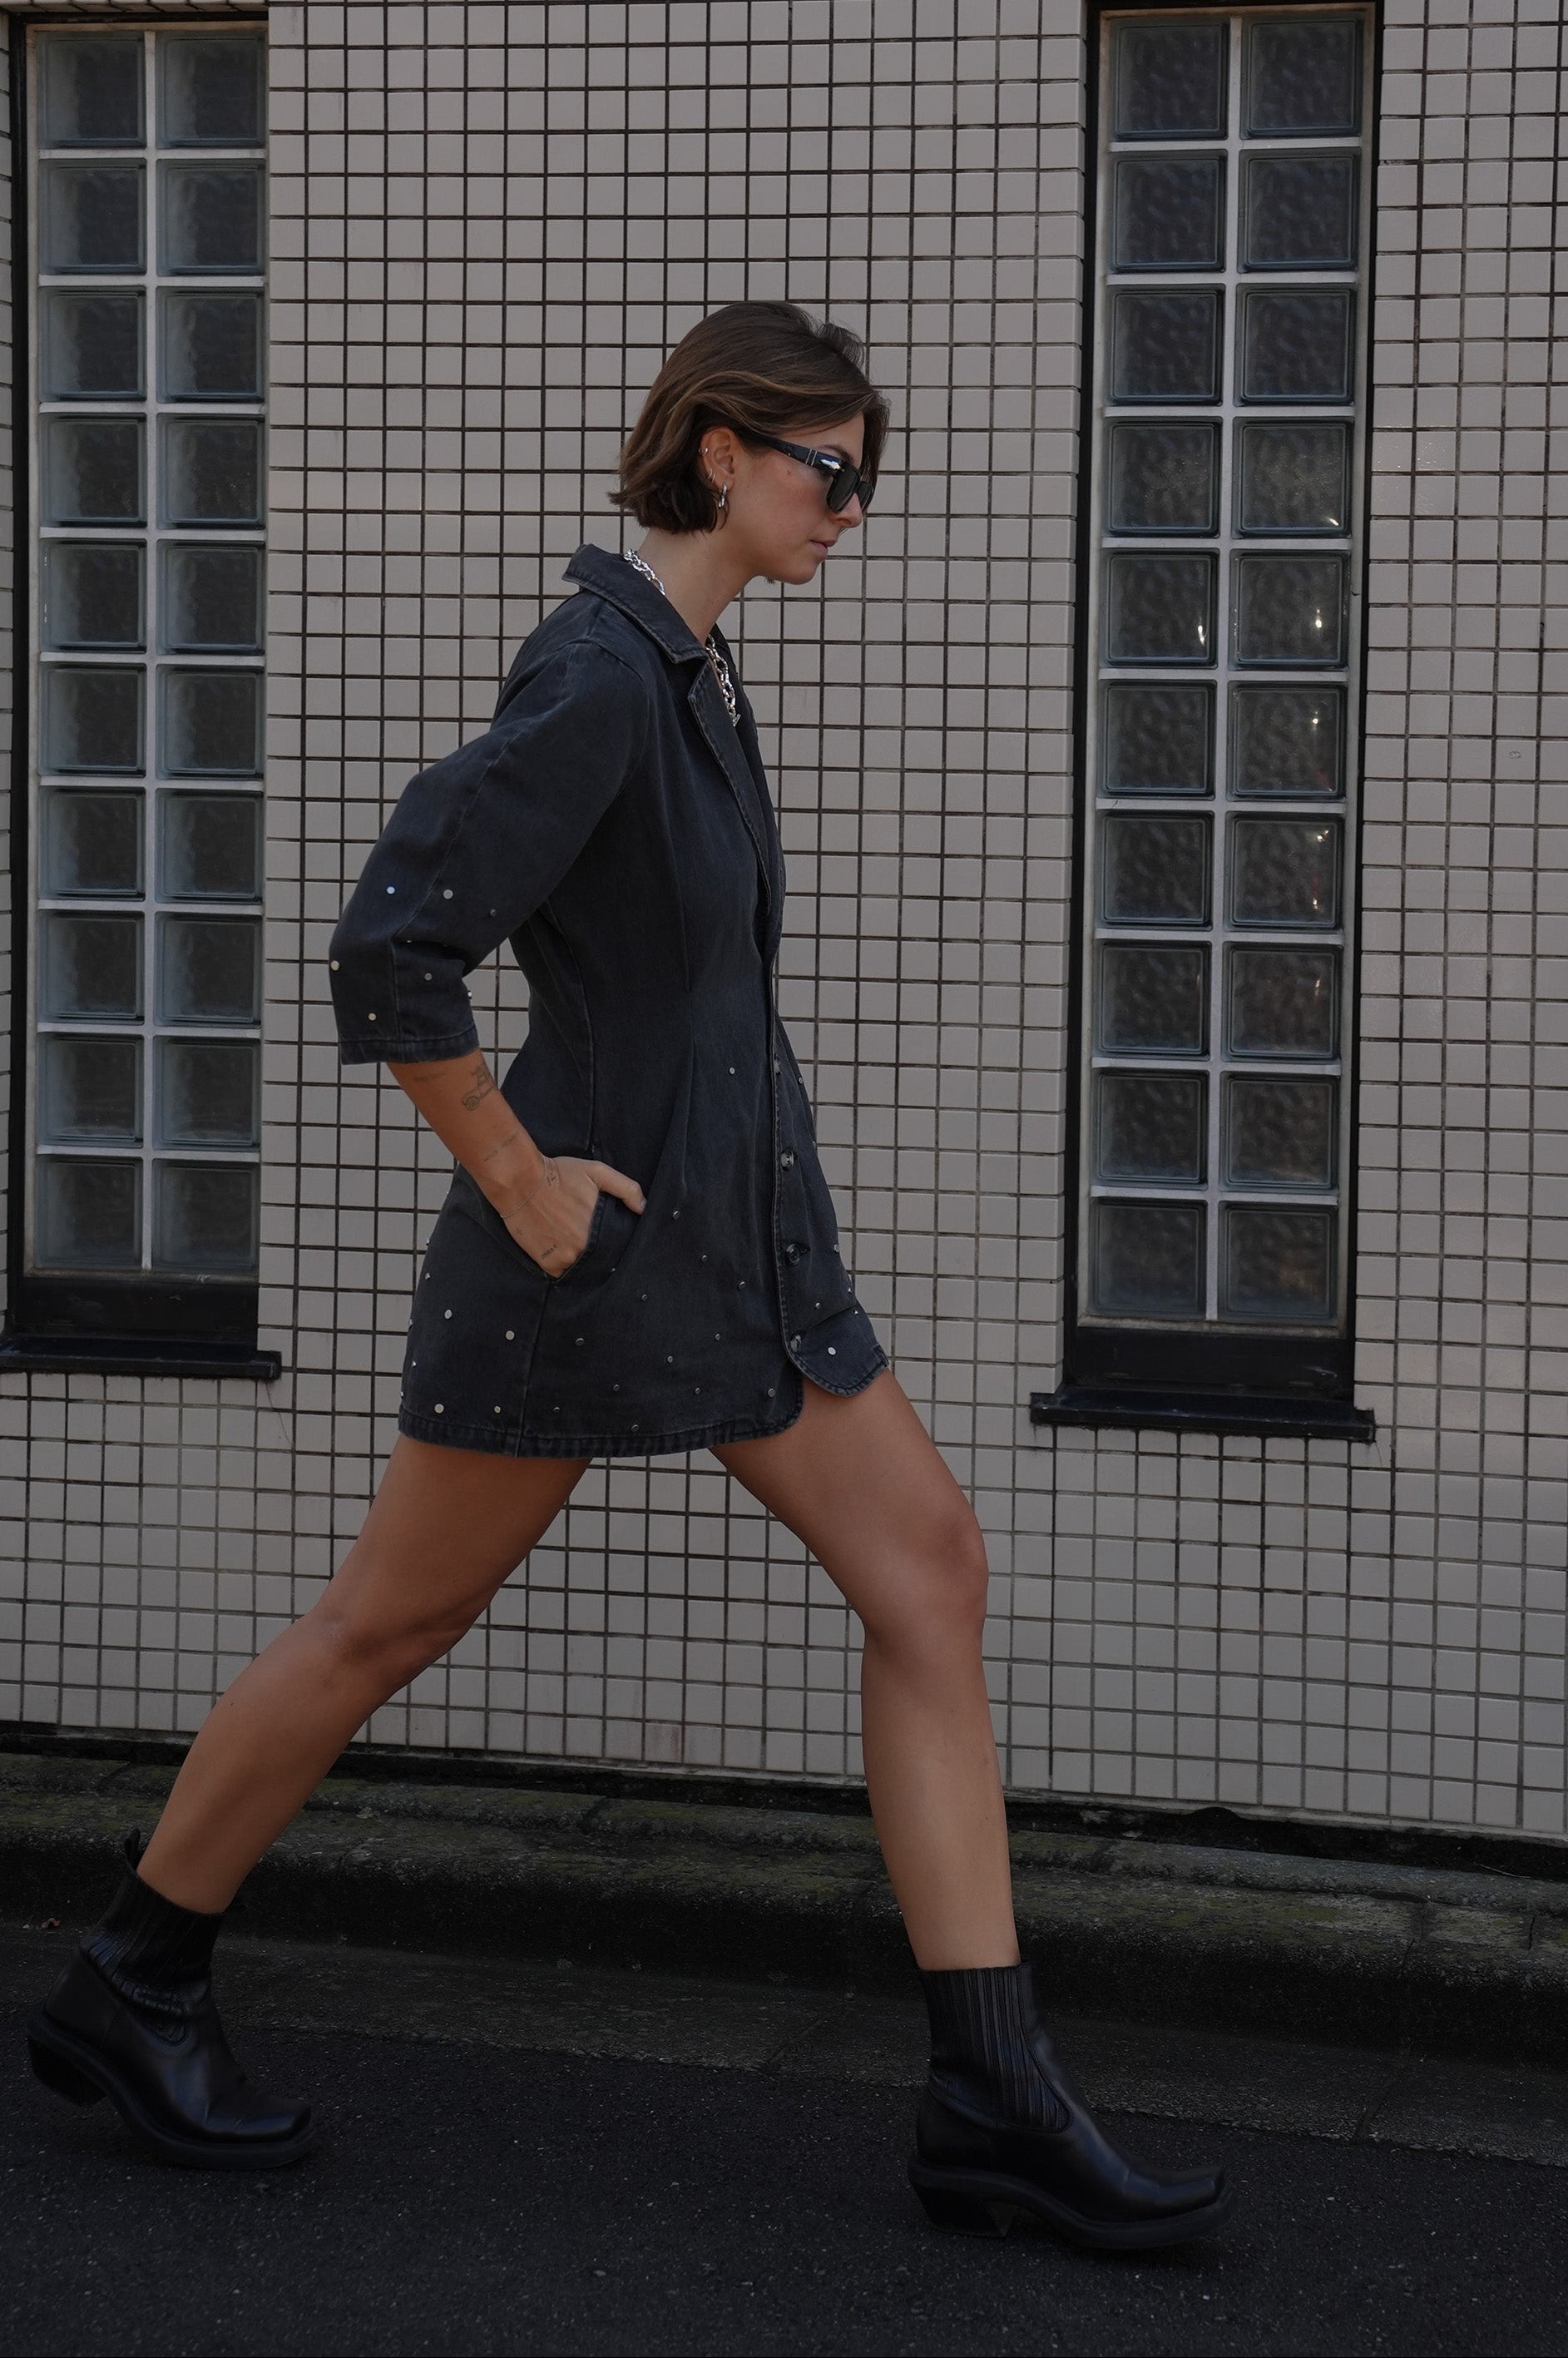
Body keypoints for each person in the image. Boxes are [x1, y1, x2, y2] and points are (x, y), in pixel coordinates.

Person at [27, 300, 1229, 2249]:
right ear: (718, 453)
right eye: (830, 470)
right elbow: (392, 948)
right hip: (592, 1269)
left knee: (929, 1569)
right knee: (380, 1630)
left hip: (745, 1253)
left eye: (865, 476)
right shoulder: (598, 671)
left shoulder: (688, 671)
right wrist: (516, 1176)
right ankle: (132, 1977)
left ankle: (990, 2096)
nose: (851, 507)